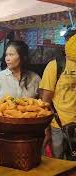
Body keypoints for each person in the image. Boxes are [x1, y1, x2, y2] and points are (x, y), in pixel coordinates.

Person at [40, 28, 76, 159]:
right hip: (60, 125)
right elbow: (45, 102)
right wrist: (46, 130)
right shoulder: (56, 66)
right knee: (59, 163)